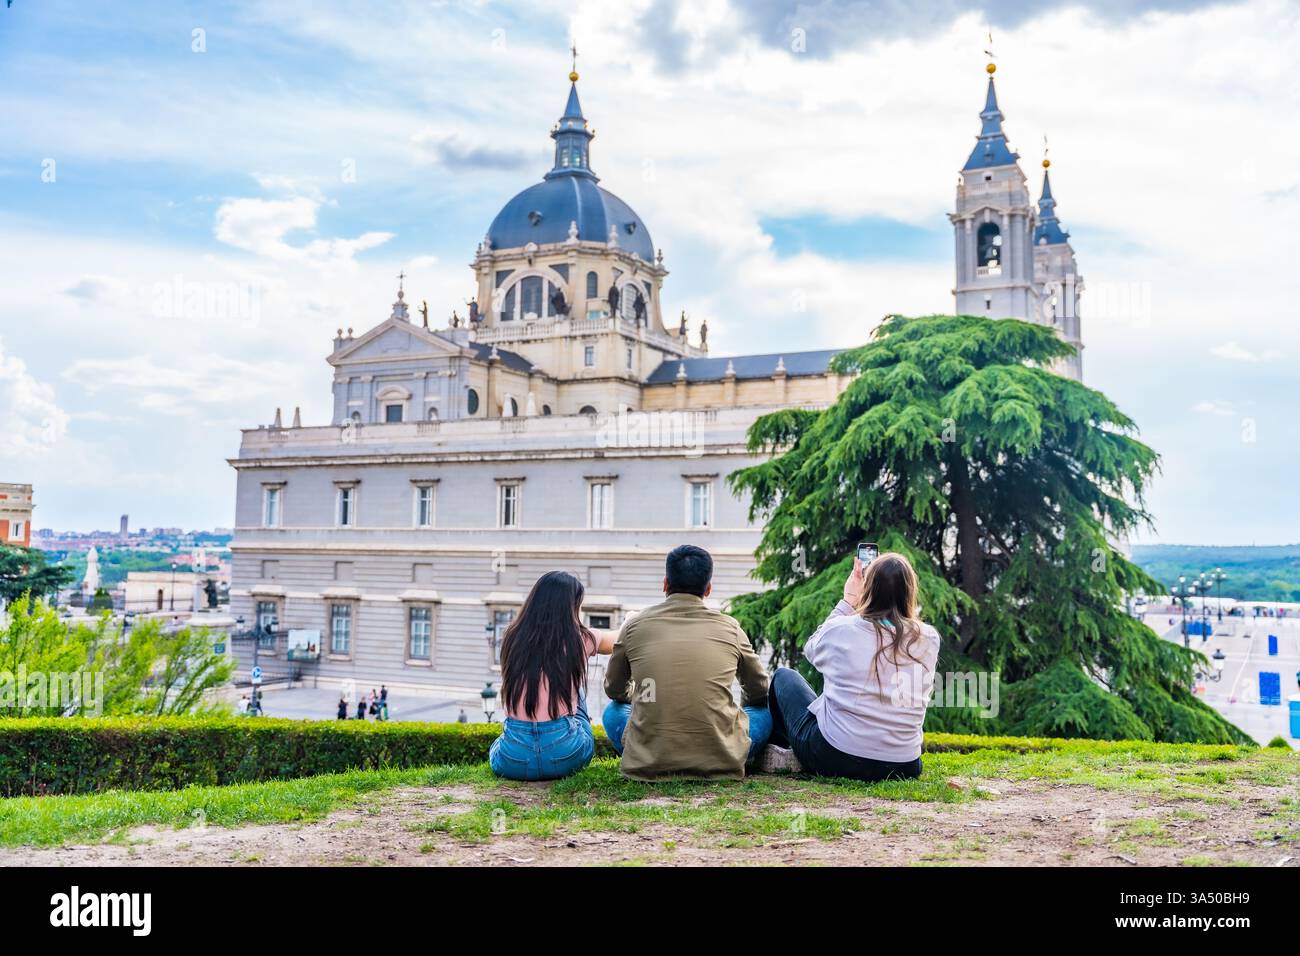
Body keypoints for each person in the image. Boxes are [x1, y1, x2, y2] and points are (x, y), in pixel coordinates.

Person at [765, 552, 940, 782]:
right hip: (904, 765)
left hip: (836, 756)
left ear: (869, 588)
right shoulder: (929, 638)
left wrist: (848, 601)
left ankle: (787, 753)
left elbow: (811, 648)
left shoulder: (842, 629)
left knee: (783, 677)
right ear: (910, 591)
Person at [602, 545, 770, 780]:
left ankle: (644, 754)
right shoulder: (731, 628)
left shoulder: (634, 626)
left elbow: (613, 689)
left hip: (648, 761)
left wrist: (642, 696)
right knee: (764, 711)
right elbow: (760, 690)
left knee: (613, 711)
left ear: (665, 584)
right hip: (723, 759)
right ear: (708, 589)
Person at [489, 571, 615, 781]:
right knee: (578, 690)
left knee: (498, 746)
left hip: (513, 762)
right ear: (571, 608)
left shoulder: (512, 637)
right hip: (566, 756)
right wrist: (633, 619)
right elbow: (617, 640)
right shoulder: (580, 639)